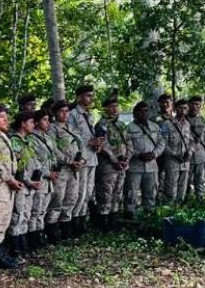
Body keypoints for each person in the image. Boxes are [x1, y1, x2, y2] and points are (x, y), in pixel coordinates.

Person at [0, 105, 21, 269]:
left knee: (3, 222)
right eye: (1, 116)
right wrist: (10, 179)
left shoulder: (3, 135)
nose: (5, 119)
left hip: (8, 186)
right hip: (0, 185)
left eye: (6, 116)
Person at [68, 85, 105, 232]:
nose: (91, 98)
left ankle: (82, 219)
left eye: (92, 95)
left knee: (88, 192)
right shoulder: (73, 114)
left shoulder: (90, 115)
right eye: (88, 95)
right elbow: (71, 138)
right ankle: (73, 221)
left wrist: (97, 143)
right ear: (79, 97)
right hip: (81, 159)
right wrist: (89, 142)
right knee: (79, 192)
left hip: (92, 157)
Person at [46, 101, 84, 240]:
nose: (65, 114)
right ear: (55, 113)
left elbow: (80, 147)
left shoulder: (72, 128)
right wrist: (68, 161)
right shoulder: (52, 129)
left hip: (73, 170)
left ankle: (66, 230)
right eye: (62, 111)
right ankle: (51, 232)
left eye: (67, 111)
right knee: (58, 200)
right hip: (61, 169)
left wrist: (81, 160)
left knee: (71, 198)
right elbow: (53, 149)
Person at [8, 111, 43, 258]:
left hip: (30, 185)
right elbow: (17, 167)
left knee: (26, 215)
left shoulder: (27, 141)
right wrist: (28, 181)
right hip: (21, 185)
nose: (34, 125)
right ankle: (14, 247)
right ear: (22, 124)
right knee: (18, 215)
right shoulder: (15, 141)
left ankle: (23, 244)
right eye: (31, 122)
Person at [94, 97, 132, 230]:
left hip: (122, 165)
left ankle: (113, 221)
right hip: (108, 166)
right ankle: (103, 224)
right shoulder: (101, 124)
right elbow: (103, 145)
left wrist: (127, 159)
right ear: (105, 109)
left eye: (116, 106)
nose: (114, 109)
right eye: (111, 106)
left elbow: (129, 142)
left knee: (118, 192)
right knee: (106, 193)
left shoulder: (122, 125)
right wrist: (115, 160)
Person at [124, 102, 166, 218]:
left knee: (151, 192)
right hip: (135, 166)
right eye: (140, 111)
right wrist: (137, 154)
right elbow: (126, 146)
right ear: (134, 113)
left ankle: (149, 215)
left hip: (151, 166)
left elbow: (162, 142)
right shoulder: (128, 128)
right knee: (131, 193)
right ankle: (130, 215)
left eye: (146, 110)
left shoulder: (155, 127)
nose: (144, 113)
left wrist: (155, 154)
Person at [28, 110, 56, 251]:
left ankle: (40, 235)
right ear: (37, 122)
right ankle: (32, 239)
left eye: (48, 119)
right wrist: (47, 173)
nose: (47, 122)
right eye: (44, 119)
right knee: (35, 211)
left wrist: (54, 171)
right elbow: (33, 161)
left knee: (42, 211)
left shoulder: (48, 138)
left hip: (49, 181)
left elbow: (53, 157)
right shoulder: (31, 139)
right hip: (39, 179)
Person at [160, 99, 193, 205]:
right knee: (171, 187)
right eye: (180, 108)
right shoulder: (167, 124)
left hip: (185, 161)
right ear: (175, 109)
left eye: (185, 108)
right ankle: (169, 209)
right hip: (172, 160)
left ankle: (179, 208)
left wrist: (190, 152)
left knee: (182, 186)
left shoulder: (187, 124)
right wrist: (174, 154)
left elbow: (191, 141)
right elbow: (163, 144)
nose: (182, 110)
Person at [186, 95, 205, 201]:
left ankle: (200, 202)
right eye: (193, 104)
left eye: (197, 104)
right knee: (185, 182)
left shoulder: (203, 120)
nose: (195, 106)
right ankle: (184, 202)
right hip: (187, 156)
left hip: (200, 155)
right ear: (188, 105)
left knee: (199, 181)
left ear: (200, 106)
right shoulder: (183, 119)